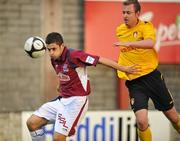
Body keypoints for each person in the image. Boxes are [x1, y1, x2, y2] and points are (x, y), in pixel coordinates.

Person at [26, 32, 140, 141]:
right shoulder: (54, 59)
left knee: (58, 138)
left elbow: (100, 60)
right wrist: (60, 85)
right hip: (62, 100)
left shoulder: (75, 55)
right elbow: (64, 73)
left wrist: (124, 68)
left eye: (54, 49)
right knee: (32, 123)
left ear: (62, 46)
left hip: (76, 101)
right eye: (49, 49)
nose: (51, 52)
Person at [114, 0, 180, 141]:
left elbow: (151, 43)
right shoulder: (120, 30)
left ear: (137, 13)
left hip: (152, 77)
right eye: (123, 12)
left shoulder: (146, 26)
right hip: (135, 82)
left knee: (173, 117)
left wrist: (130, 43)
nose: (125, 15)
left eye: (128, 12)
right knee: (142, 121)